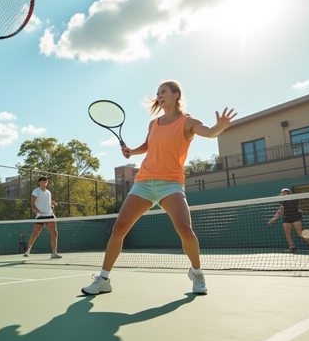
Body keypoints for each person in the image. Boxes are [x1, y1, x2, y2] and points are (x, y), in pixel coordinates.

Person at [81, 80, 236, 297]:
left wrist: (219, 127)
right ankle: (103, 279)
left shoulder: (188, 122)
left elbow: (209, 132)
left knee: (185, 230)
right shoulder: (153, 124)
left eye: (164, 92)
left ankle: (197, 273)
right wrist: (132, 152)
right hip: (143, 182)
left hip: (170, 184)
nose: (159, 95)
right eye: (157, 92)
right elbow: (148, 145)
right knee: (119, 228)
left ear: (176, 95)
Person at [268, 188, 309, 253]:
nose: (282, 194)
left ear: (287, 193)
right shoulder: (283, 201)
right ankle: (292, 247)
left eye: (284, 192)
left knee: (300, 233)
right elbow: (280, 210)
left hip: (295, 217)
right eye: (282, 192)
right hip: (286, 218)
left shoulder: (293, 199)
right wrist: (274, 218)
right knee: (287, 233)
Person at [24, 176, 61, 259]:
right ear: (39, 183)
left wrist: (52, 203)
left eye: (46, 182)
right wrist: (38, 211)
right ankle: (28, 250)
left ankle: (54, 253)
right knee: (35, 233)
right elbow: (32, 203)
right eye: (43, 181)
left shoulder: (48, 192)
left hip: (49, 215)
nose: (45, 183)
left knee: (54, 234)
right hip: (40, 216)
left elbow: (47, 202)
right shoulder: (36, 191)